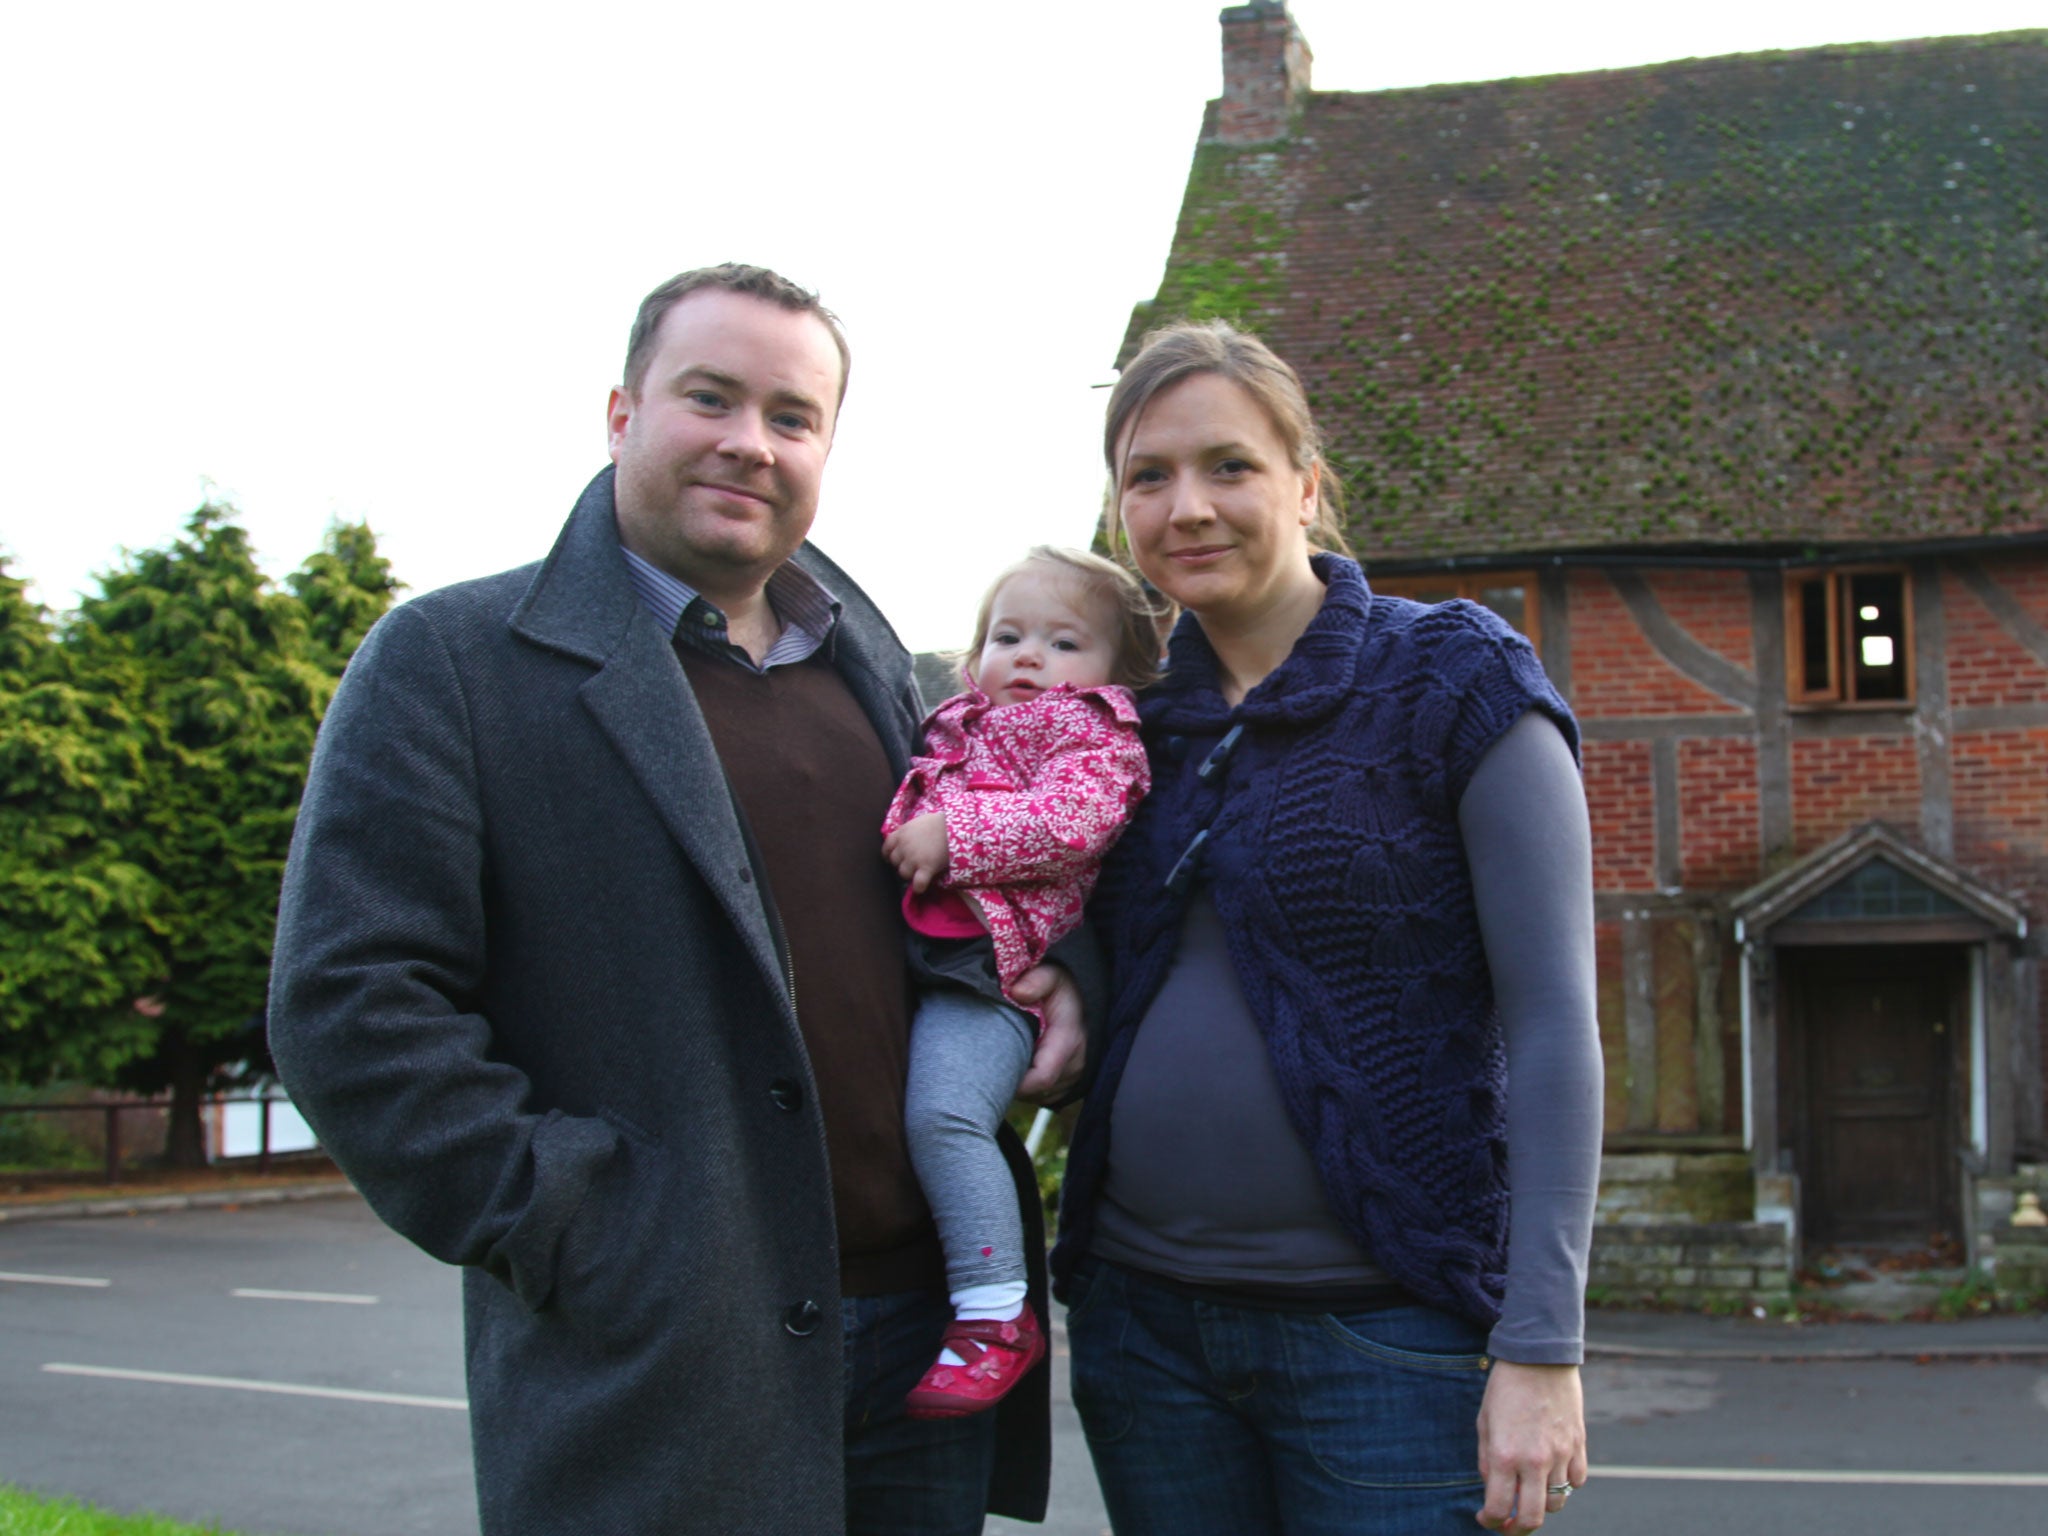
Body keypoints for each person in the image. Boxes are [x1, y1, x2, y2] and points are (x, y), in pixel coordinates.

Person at [268, 264, 1088, 1536]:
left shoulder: (883, 661)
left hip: (923, 1342)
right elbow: (351, 1009)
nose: (748, 444)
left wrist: (1050, 985)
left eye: (791, 416)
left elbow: (991, 882)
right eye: (710, 397)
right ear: (620, 412)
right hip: (664, 1363)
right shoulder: (449, 664)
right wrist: (585, 1231)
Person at [1050, 320, 1603, 1536]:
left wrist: (1541, 1346)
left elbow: (1555, 1020)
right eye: (1147, 476)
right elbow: (1094, 945)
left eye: (1228, 466)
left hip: (1388, 1337)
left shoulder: (1451, 678)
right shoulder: (1119, 726)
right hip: (1145, 1332)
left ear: (1304, 483)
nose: (1185, 506)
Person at [879, 548, 1157, 1418]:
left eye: (1065, 642)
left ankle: (996, 1314)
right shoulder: (951, 722)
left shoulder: (1093, 732)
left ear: (1118, 673)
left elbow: (1077, 822)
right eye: (1009, 635)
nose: (1030, 655)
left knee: (945, 1118)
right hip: (930, 959)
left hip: (994, 974)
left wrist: (953, 833)